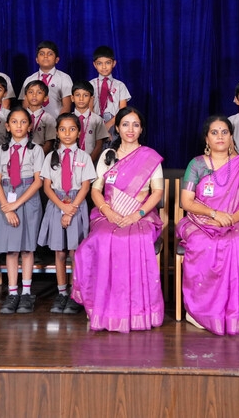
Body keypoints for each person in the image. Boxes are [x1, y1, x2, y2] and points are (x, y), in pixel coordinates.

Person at [71, 107, 166, 332]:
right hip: (108, 214)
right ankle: (102, 307)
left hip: (141, 215)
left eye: (135, 124)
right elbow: (96, 190)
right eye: (125, 124)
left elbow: (157, 192)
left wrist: (137, 214)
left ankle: (138, 311)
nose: (130, 129)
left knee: (135, 239)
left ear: (141, 129)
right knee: (102, 239)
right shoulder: (108, 155)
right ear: (117, 128)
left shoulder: (150, 157)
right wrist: (108, 211)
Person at [176, 116, 239, 335]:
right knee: (203, 243)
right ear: (206, 139)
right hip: (200, 220)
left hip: (235, 219)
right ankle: (199, 310)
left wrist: (230, 218)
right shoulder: (197, 164)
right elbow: (186, 202)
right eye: (214, 132)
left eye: (224, 132)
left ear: (231, 137)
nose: (220, 136)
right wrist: (214, 214)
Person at [38, 113, 96, 315]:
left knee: (74, 252)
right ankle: (61, 292)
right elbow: (47, 187)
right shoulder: (50, 157)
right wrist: (63, 208)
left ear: (79, 132)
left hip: (76, 205)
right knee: (60, 253)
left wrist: (71, 210)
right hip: (57, 204)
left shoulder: (84, 157)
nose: (67, 133)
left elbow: (86, 187)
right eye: (62, 129)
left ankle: (75, 293)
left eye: (72, 129)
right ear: (57, 132)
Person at [0, 107, 45, 314]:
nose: (19, 126)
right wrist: (6, 207)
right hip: (6, 196)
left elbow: (38, 181)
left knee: (27, 248)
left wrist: (16, 204)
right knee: (11, 249)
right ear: (7, 126)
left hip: (27, 197)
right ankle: (13, 292)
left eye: (23, 122)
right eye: (14, 122)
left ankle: (26, 293)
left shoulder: (36, 150)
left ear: (29, 126)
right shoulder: (0, 151)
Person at [20, 40, 73, 118]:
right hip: (33, 122)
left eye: (50, 54)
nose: (45, 56)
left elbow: (67, 106)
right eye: (42, 54)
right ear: (37, 60)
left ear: (57, 60)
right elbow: (25, 105)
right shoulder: (29, 79)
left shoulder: (64, 78)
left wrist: (59, 123)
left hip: (56, 121)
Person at [90, 46, 132, 134]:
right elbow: (89, 108)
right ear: (94, 65)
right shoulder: (90, 85)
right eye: (99, 63)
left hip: (115, 122)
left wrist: (109, 124)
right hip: (95, 123)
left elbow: (123, 109)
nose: (104, 67)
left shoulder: (120, 85)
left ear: (114, 63)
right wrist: (99, 124)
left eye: (108, 63)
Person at [70, 81, 110, 164]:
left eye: (85, 95)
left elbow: (99, 145)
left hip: (91, 162)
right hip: (70, 162)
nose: (81, 99)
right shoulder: (67, 120)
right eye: (77, 95)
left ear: (91, 99)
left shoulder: (97, 120)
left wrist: (88, 163)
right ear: (72, 98)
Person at [22, 80, 57, 155]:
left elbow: (49, 143)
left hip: (40, 154)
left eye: (39, 92)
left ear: (45, 98)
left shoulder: (49, 118)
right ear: (25, 97)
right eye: (31, 92)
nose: (34, 95)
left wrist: (38, 157)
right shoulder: (20, 116)